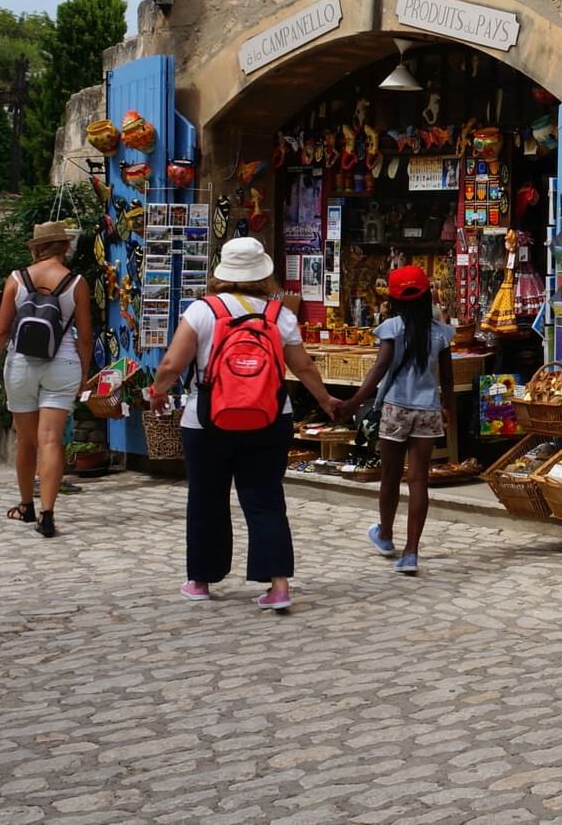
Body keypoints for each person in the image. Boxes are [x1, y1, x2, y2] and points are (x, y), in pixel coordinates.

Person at [147, 237, 339, 611]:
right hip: (269, 418)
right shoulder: (279, 315)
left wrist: (158, 393)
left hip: (207, 422)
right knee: (266, 499)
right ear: (263, 273)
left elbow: (172, 365)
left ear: (223, 273)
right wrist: (325, 400)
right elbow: (302, 366)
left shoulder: (203, 311)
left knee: (206, 499)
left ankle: (200, 580)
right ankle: (278, 585)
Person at [0, 220, 91, 537]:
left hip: (22, 364)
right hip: (63, 363)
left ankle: (26, 505)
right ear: (65, 246)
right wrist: (83, 373)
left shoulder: (16, 278)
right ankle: (48, 513)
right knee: (51, 440)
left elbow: (0, 330)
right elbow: (84, 336)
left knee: (26, 439)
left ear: (37, 247)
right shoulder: (76, 282)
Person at [340, 265, 453, 576]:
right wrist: (448, 410)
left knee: (390, 476)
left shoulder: (391, 328)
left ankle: (386, 535)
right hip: (428, 409)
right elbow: (447, 377)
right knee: (419, 481)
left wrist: (353, 400)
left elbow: (379, 369)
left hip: (394, 409)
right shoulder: (440, 333)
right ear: (428, 295)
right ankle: (411, 551)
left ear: (395, 300)